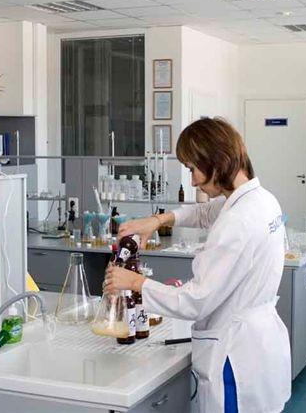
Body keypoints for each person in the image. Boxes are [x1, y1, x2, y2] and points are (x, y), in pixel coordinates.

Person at [104, 117, 291, 413]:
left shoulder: (237, 222)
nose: (192, 181)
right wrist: (157, 220)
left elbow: (196, 301)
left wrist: (135, 282)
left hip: (234, 355)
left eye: (192, 169)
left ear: (216, 161)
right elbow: (207, 212)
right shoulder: (262, 200)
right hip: (259, 343)